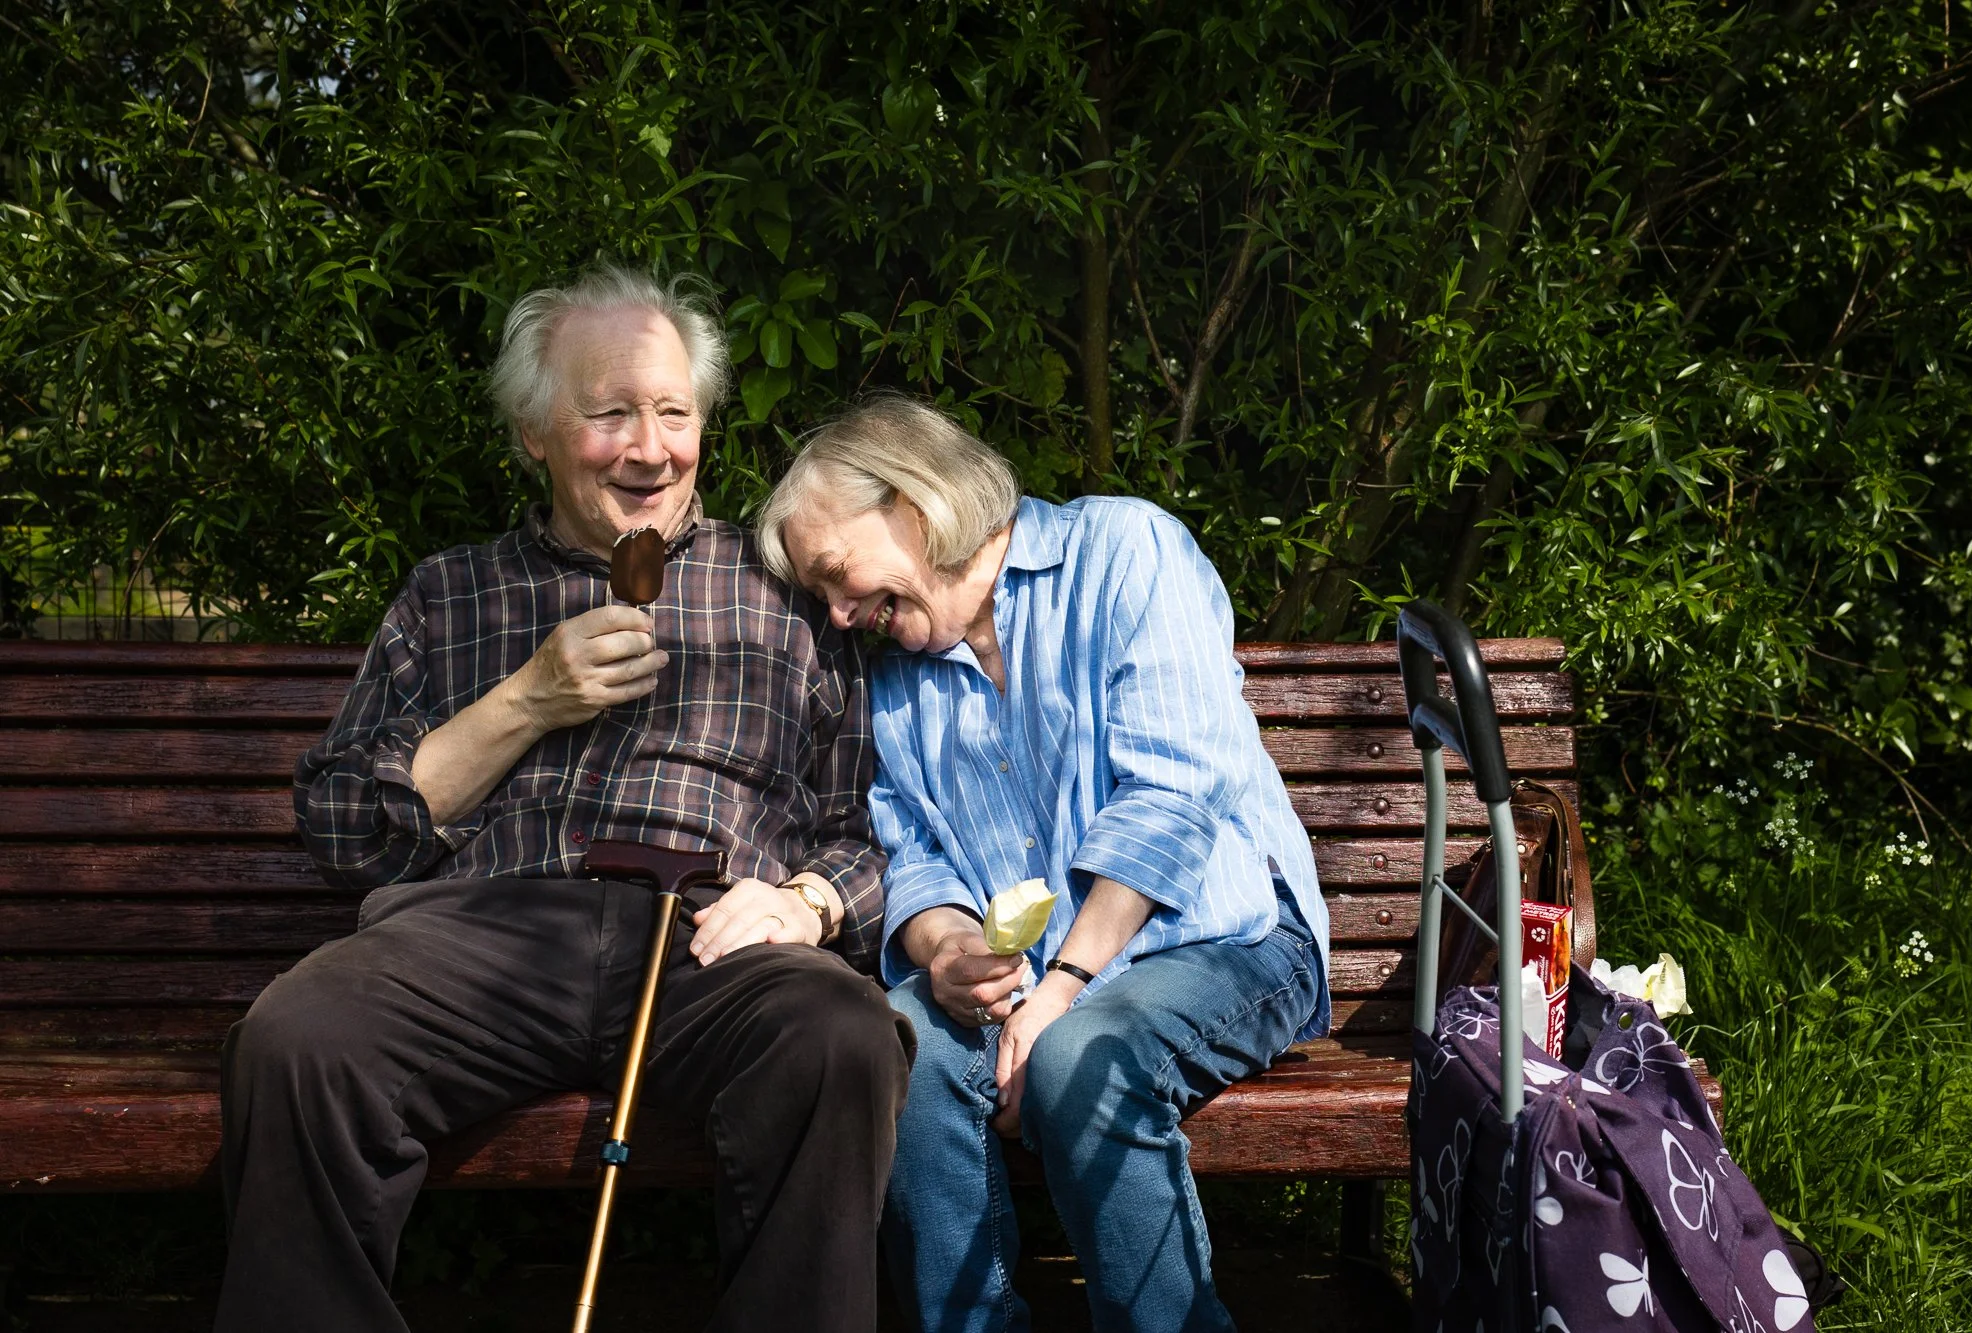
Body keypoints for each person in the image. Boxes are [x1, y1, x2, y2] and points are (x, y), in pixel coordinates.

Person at [217, 267, 912, 1333]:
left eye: (673, 413)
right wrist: (526, 700)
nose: (649, 446)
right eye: (609, 414)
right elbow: (347, 830)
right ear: (533, 433)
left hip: (709, 942)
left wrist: (808, 902)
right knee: (297, 1038)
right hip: (484, 934)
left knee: (841, 1036)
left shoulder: (785, 591)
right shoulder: (450, 593)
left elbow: (863, 828)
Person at [756, 396, 1334, 1333]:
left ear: (910, 502)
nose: (838, 611)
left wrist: (1060, 988)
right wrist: (945, 951)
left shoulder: (1125, 551)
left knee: (1079, 1059)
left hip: (1222, 938)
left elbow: (1175, 795)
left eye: (836, 574)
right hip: (1035, 980)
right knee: (898, 1044)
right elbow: (911, 850)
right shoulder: (896, 682)